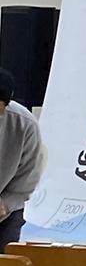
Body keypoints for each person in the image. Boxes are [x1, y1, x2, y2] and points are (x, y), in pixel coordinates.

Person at [0, 69, 45, 250]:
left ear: (6, 105)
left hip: (5, 210)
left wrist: (5, 205)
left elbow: (27, 179)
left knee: (7, 261)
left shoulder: (24, 124)